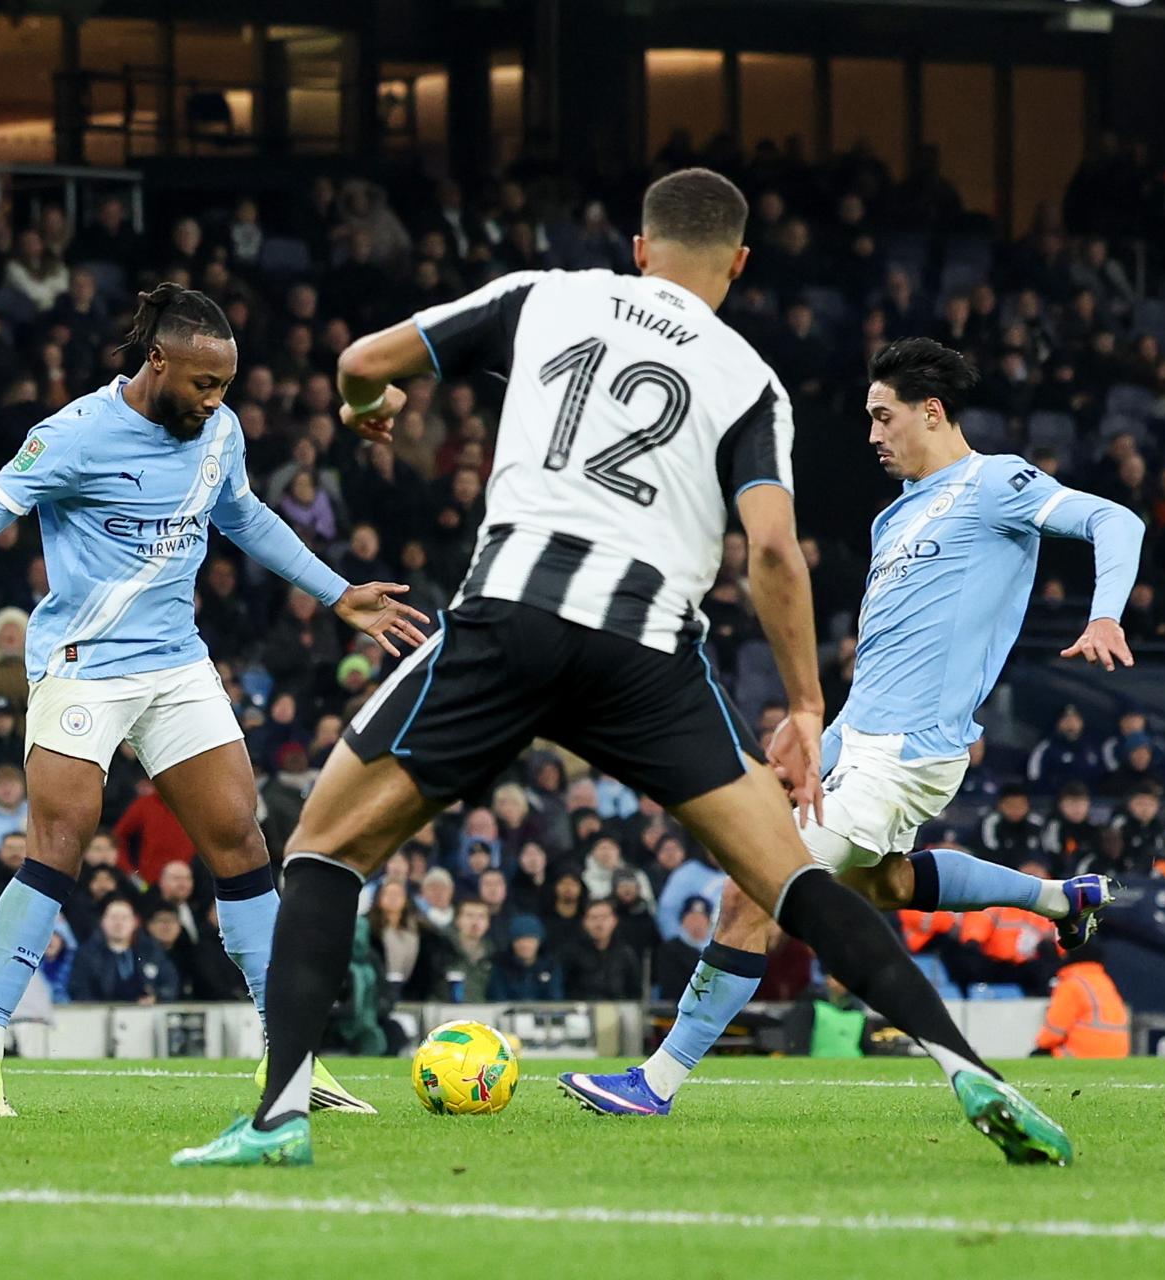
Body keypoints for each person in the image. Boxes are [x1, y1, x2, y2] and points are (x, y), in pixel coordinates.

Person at [176, 169, 1072, 1169]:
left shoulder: (544, 295)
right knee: (790, 879)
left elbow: (361, 359)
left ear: (639, 247)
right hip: (644, 650)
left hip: (507, 620)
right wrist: (807, 702)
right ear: (738, 264)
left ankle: (280, 1115)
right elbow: (773, 551)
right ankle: (967, 1068)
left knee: (322, 849)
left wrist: (365, 406)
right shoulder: (749, 381)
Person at [0, 284, 424, 1118]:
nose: (215, 400)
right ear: (156, 360)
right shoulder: (73, 436)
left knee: (241, 841)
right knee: (57, 844)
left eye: (225, 386)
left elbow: (246, 516)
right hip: (83, 665)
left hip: (176, 665)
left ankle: (292, 1059)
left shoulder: (218, 432)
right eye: (202, 382)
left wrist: (337, 591)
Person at [578, 336, 1142, 1120]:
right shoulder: (892, 521)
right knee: (885, 883)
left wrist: (1104, 611)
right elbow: (882, 660)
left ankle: (656, 1082)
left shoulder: (995, 481)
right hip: (858, 740)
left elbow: (1115, 520)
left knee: (758, 882)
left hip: (909, 752)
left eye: (884, 417)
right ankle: (1060, 898)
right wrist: (824, 738)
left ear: (932, 412)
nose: (872, 435)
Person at [66, 897, 178, 1004]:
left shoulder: (151, 951)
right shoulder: (87, 954)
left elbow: (169, 983)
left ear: (135, 922)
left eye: (124, 918)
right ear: (102, 921)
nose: (118, 923)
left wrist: (156, 998)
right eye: (113, 917)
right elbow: (80, 991)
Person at [1032, 940, 1130, 1058]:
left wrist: (1040, 1046)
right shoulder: (1104, 981)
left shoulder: (1071, 984)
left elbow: (1053, 1032)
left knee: (1038, 1056)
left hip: (1082, 1054)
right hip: (1117, 1054)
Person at [487, 914, 562, 1000]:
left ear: (539, 941)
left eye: (530, 940)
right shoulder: (501, 965)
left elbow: (554, 999)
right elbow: (498, 997)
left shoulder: (550, 967)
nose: (525, 945)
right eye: (519, 940)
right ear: (512, 942)